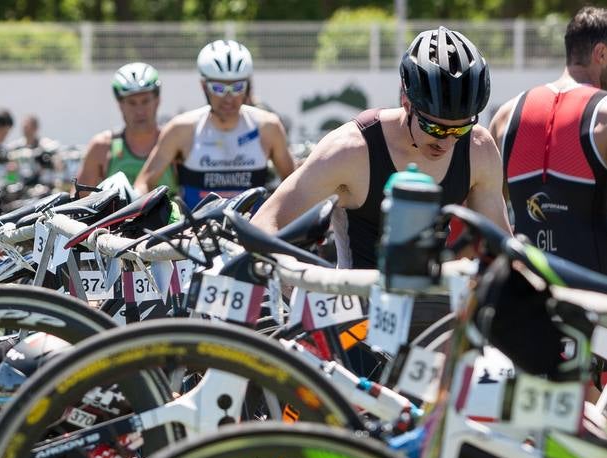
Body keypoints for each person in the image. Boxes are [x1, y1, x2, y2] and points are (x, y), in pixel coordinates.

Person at [251, 28, 510, 274]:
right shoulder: (349, 150)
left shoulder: (478, 148)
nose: (446, 142)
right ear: (406, 102)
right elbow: (264, 225)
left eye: (460, 130)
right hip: (358, 312)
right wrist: (299, 291)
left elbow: (502, 249)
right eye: (435, 128)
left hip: (431, 311)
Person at [490, 6, 607, 267]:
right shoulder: (604, 115)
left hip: (526, 295)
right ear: (601, 53)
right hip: (593, 299)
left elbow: (486, 224)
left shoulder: (505, 117)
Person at [135, 41, 295, 205]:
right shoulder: (181, 130)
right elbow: (143, 183)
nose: (228, 98)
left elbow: (293, 184)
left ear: (248, 86)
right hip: (194, 229)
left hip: (252, 227)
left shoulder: (268, 127)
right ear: (204, 86)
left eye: (237, 87)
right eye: (218, 88)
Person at [78, 63, 175, 191]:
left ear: (157, 101)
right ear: (120, 105)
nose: (139, 111)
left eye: (145, 101)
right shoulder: (102, 147)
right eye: (132, 103)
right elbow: (78, 201)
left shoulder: (174, 144)